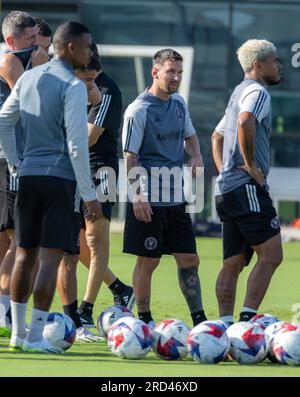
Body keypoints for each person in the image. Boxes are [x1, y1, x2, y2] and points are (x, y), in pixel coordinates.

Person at [0, 21, 101, 353]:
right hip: (59, 180)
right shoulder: (71, 85)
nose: (89, 52)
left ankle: (17, 334)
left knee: (24, 255)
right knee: (49, 259)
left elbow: (3, 119)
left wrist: (16, 162)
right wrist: (89, 195)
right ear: (71, 47)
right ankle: (35, 337)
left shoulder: (28, 76)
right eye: (86, 46)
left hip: (27, 177)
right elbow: (76, 144)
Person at [122, 48, 207, 327]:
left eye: (179, 72)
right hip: (148, 199)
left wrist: (195, 155)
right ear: (155, 72)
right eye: (171, 71)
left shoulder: (179, 103)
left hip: (176, 198)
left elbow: (190, 135)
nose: (176, 77)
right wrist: (138, 197)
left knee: (189, 258)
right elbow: (130, 156)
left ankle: (199, 320)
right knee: (148, 261)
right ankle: (144, 320)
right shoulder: (138, 110)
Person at [58, 46, 135, 332]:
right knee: (73, 244)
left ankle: (86, 309)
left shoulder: (107, 90)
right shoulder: (69, 84)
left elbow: (89, 138)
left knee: (94, 239)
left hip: (100, 168)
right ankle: (118, 287)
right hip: (71, 167)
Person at [212, 39, 283, 325]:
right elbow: (244, 122)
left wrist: (224, 172)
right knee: (272, 255)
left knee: (234, 262)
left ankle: (226, 325)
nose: (279, 66)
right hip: (245, 187)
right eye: (275, 60)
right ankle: (246, 322)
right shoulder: (257, 92)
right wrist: (251, 167)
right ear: (258, 65)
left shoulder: (238, 92)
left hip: (227, 188)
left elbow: (216, 137)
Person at [0, 11, 49, 337]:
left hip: (15, 159)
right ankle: (5, 311)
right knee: (23, 243)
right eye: (31, 39)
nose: (36, 45)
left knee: (16, 242)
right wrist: (43, 66)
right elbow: (30, 100)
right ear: (11, 40)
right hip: (10, 161)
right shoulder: (8, 62)